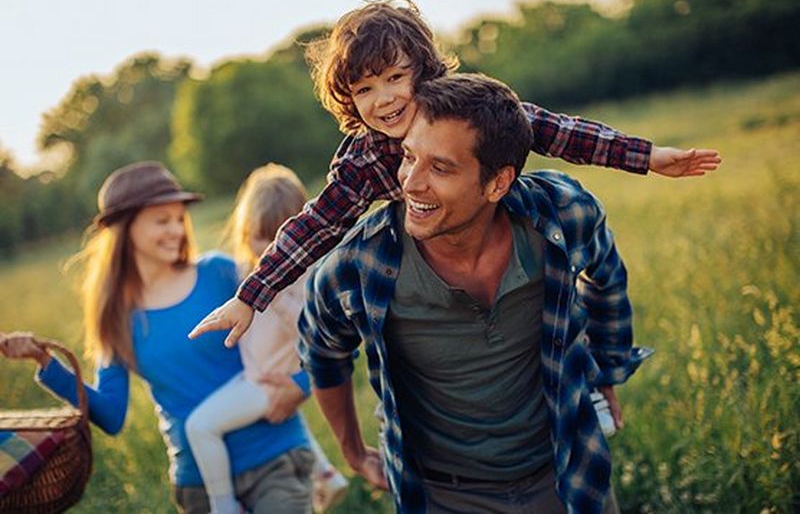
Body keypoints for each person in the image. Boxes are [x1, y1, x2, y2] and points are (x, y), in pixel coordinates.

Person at [189, 0, 721, 347]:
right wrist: (250, 295)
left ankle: (582, 367)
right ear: (348, 99)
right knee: (393, 286)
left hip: (499, 218)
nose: (385, 99)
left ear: (422, 69)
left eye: (395, 77)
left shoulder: (465, 108)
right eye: (364, 89)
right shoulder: (363, 157)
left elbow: (553, 130)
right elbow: (317, 223)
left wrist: (646, 156)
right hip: (429, 248)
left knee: (548, 271)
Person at [297, 73, 654, 513]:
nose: (410, 183)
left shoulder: (563, 216)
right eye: (409, 157)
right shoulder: (357, 264)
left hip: (567, 473)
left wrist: (608, 368)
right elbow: (321, 351)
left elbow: (606, 276)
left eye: (441, 167)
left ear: (497, 183)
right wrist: (352, 451)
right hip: (444, 495)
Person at [0, 161, 314, 514]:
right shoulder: (115, 317)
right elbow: (110, 414)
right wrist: (46, 363)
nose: (177, 231)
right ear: (125, 230)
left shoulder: (221, 273)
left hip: (276, 458)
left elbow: (315, 333)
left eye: (180, 219)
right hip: (199, 485)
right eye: (162, 220)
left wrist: (301, 385)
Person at [184, 164, 348, 514]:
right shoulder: (248, 268)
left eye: (281, 242)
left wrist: (279, 295)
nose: (270, 257)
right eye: (261, 241)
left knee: (200, 427)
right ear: (245, 232)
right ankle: (327, 474)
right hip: (262, 372)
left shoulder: (303, 281)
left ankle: (222, 504)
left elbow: (316, 331)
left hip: (264, 381)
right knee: (287, 417)